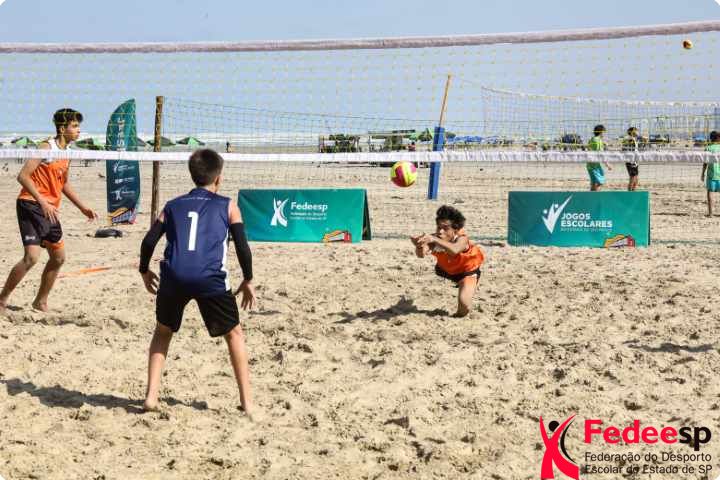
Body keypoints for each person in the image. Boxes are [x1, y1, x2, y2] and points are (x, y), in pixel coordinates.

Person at [138, 149, 257, 418]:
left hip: (174, 276)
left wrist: (144, 270)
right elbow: (242, 246)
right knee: (234, 334)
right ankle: (248, 403)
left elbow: (148, 241)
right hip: (209, 278)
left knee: (163, 332)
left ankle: (151, 396)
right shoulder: (228, 206)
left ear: (192, 176)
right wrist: (248, 278)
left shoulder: (172, 205)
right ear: (219, 178)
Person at [0, 108, 97, 312]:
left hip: (49, 209)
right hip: (30, 204)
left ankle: (40, 301)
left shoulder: (67, 152)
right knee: (31, 257)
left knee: (59, 258)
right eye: (75, 126)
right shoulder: (46, 147)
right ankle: (2, 300)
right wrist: (42, 201)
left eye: (78, 126)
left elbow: (64, 183)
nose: (78, 130)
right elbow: (23, 176)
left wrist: (82, 207)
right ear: (62, 129)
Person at [411, 205, 484, 317]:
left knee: (464, 307)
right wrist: (419, 246)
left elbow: (454, 250)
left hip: (466, 272)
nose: (440, 231)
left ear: (455, 230)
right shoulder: (434, 238)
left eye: (445, 228)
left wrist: (434, 239)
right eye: (438, 227)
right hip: (444, 270)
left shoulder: (462, 238)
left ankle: (459, 311)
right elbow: (420, 255)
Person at [587, 124, 612, 191]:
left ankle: (591, 196)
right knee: (600, 182)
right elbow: (601, 154)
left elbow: (589, 149)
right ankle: (596, 195)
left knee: (593, 183)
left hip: (589, 164)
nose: (604, 133)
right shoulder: (598, 140)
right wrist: (607, 165)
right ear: (601, 132)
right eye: (604, 131)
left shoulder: (592, 139)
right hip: (594, 165)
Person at [701, 130, 720, 216]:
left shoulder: (708, 148)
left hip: (711, 175)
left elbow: (705, 163)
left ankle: (711, 213)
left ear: (711, 138)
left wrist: (702, 173)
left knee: (710, 193)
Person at [622, 127, 640, 191]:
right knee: (633, 178)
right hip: (630, 161)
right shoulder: (629, 139)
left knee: (636, 179)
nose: (638, 132)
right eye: (636, 131)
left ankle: (633, 191)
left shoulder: (633, 139)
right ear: (633, 132)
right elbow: (625, 149)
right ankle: (630, 192)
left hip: (634, 161)